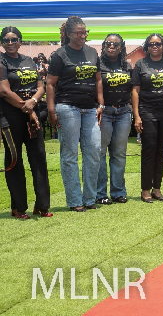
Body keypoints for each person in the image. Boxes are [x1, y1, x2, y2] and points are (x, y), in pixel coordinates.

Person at [46, 16, 103, 212]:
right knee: (70, 154)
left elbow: (98, 80)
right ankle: (74, 200)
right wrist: (51, 110)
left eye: (85, 32)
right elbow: (50, 84)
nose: (82, 36)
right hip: (67, 107)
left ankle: (89, 198)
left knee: (94, 150)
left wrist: (101, 104)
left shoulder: (93, 52)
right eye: (79, 33)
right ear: (69, 34)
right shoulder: (60, 55)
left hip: (90, 109)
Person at [0, 26, 51, 218]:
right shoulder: (1, 61)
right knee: (15, 161)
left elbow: (41, 86)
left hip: (32, 113)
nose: (11, 43)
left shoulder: (29, 60)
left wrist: (34, 102)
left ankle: (42, 205)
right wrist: (27, 108)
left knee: (38, 158)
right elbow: (4, 91)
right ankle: (18, 207)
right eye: (6, 40)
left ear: (20, 41)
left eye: (14, 39)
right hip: (11, 115)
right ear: (2, 43)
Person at [132, 33, 163, 203]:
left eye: (158, 44)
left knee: (162, 150)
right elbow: (135, 91)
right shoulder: (141, 64)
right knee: (149, 150)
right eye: (151, 44)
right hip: (147, 110)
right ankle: (145, 189)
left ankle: (157, 188)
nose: (154, 47)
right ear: (147, 46)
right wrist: (136, 116)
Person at [95, 34, 131, 205]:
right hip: (105, 112)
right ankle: (100, 194)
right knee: (100, 153)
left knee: (118, 154)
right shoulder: (98, 65)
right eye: (108, 44)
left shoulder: (126, 65)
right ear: (103, 46)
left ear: (121, 47)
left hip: (123, 112)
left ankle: (118, 192)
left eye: (115, 44)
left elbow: (133, 89)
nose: (112, 46)